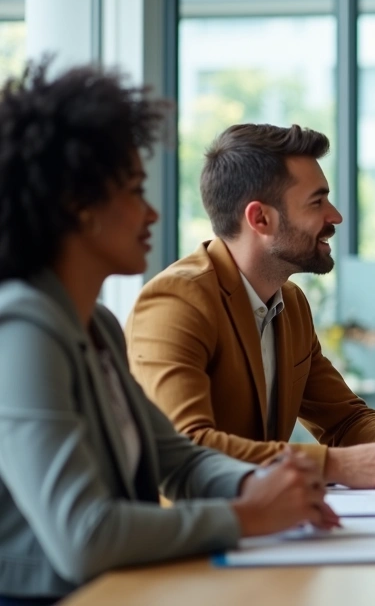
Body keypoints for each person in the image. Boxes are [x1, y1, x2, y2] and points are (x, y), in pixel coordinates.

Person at [0, 63, 337, 605]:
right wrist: (248, 515)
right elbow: (85, 536)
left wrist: (261, 485)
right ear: (78, 208)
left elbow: (176, 456)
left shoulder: (97, 325)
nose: (152, 212)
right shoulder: (21, 330)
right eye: (135, 191)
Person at [126, 123, 375, 489]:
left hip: (273, 515)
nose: (336, 216)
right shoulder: (176, 302)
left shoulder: (291, 303)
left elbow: (344, 420)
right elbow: (186, 447)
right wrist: (331, 465)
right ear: (260, 218)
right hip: (200, 522)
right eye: (317, 202)